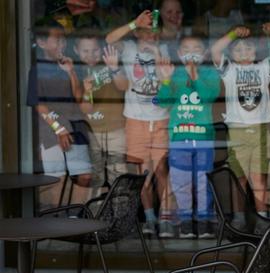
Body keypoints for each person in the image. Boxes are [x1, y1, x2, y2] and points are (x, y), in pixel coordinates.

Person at [106, 10, 173, 237]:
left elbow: (170, 82)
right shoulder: (130, 49)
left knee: (162, 170)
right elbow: (109, 40)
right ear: (137, 33)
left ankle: (165, 216)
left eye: (154, 32)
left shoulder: (164, 50)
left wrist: (154, 50)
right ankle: (149, 217)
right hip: (135, 119)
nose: (149, 36)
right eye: (145, 32)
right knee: (141, 172)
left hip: (161, 117)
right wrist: (134, 23)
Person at [211, 24, 270, 221]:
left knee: (259, 178)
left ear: (256, 52)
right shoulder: (230, 70)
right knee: (239, 178)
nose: (244, 53)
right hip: (236, 130)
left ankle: (262, 217)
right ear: (232, 54)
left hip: (260, 130)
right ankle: (239, 218)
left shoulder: (263, 68)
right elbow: (215, 50)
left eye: (249, 49)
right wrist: (232, 33)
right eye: (238, 49)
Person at [157, 34, 220, 239]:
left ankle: (203, 221)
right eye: (186, 49)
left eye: (196, 48)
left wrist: (195, 77)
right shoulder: (174, 74)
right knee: (181, 181)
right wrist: (166, 79)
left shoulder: (210, 73)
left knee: (203, 182)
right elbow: (164, 102)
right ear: (178, 54)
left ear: (204, 54)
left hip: (203, 138)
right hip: (179, 138)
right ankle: (185, 221)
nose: (191, 54)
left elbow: (209, 96)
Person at [28, 17, 93, 209]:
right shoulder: (37, 69)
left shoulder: (68, 65)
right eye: (57, 40)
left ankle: (74, 217)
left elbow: (78, 97)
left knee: (84, 176)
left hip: (74, 126)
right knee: (58, 178)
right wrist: (58, 129)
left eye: (64, 39)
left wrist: (71, 72)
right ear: (41, 42)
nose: (62, 44)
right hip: (50, 130)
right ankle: (60, 221)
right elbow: (39, 105)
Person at [74, 30, 128, 188]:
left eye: (95, 50)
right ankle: (97, 211)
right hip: (93, 131)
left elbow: (124, 86)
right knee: (96, 176)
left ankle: (120, 212)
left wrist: (114, 69)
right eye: (85, 51)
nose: (91, 55)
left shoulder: (110, 61)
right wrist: (88, 91)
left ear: (102, 48)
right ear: (77, 50)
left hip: (116, 129)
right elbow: (86, 109)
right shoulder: (77, 72)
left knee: (118, 174)